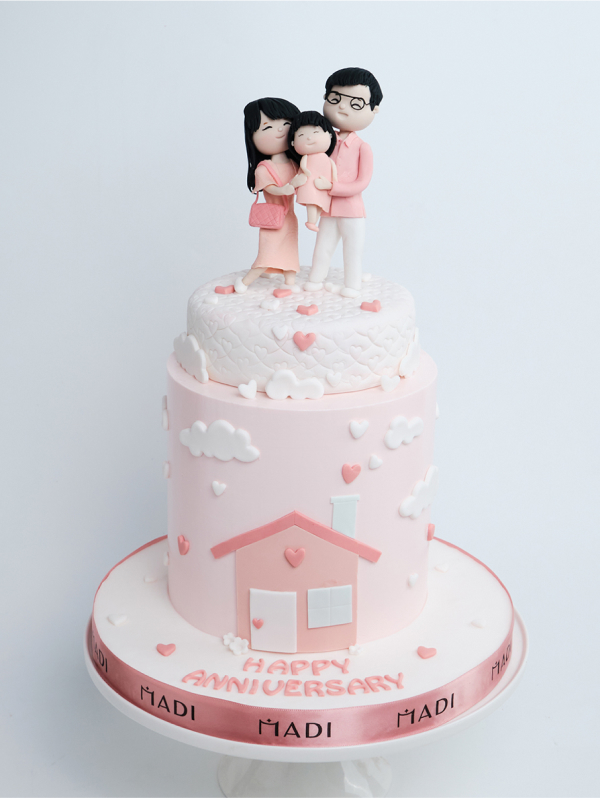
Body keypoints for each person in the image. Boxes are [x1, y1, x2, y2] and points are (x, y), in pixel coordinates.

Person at [303, 68, 382, 298]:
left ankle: (352, 285)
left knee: (352, 250)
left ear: (373, 109)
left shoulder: (363, 148)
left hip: (352, 210)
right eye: (335, 99)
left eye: (356, 103)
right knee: (322, 246)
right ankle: (315, 279)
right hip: (327, 208)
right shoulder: (324, 142)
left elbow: (362, 182)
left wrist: (332, 187)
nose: (342, 108)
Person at [235, 97, 301, 294]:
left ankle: (289, 282)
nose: (280, 130)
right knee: (267, 253)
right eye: (267, 127)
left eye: (286, 124)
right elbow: (271, 189)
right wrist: (285, 189)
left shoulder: (294, 164)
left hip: (290, 217)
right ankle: (245, 282)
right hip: (274, 218)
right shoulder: (264, 168)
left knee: (290, 250)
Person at [287, 111, 337, 232]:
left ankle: (314, 221)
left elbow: (334, 172)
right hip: (309, 184)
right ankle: (310, 221)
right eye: (301, 135)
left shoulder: (327, 159)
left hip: (323, 186)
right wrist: (305, 172)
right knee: (311, 202)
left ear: (330, 135)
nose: (309, 138)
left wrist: (332, 184)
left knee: (321, 204)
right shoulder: (306, 157)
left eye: (315, 132)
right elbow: (303, 166)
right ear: (293, 143)